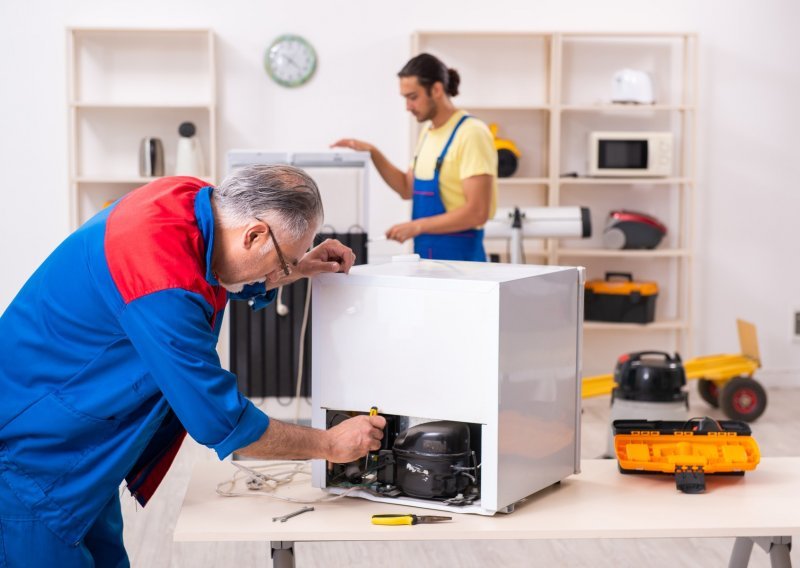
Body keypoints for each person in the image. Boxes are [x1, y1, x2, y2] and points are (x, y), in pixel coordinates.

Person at [0, 165, 386, 566]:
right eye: (284, 261)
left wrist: (297, 267)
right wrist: (329, 444)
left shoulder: (194, 199)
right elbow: (224, 424)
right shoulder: (161, 285)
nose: (283, 272)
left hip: (85, 445)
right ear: (254, 234)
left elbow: (209, 270)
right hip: (32, 458)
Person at [332, 52, 498, 261]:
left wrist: (416, 226)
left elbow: (477, 212)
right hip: (427, 257)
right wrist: (373, 153)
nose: (407, 107)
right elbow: (406, 188)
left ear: (436, 90)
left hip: (462, 259)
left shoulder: (471, 133)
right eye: (405, 99)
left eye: (413, 97)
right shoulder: (428, 133)